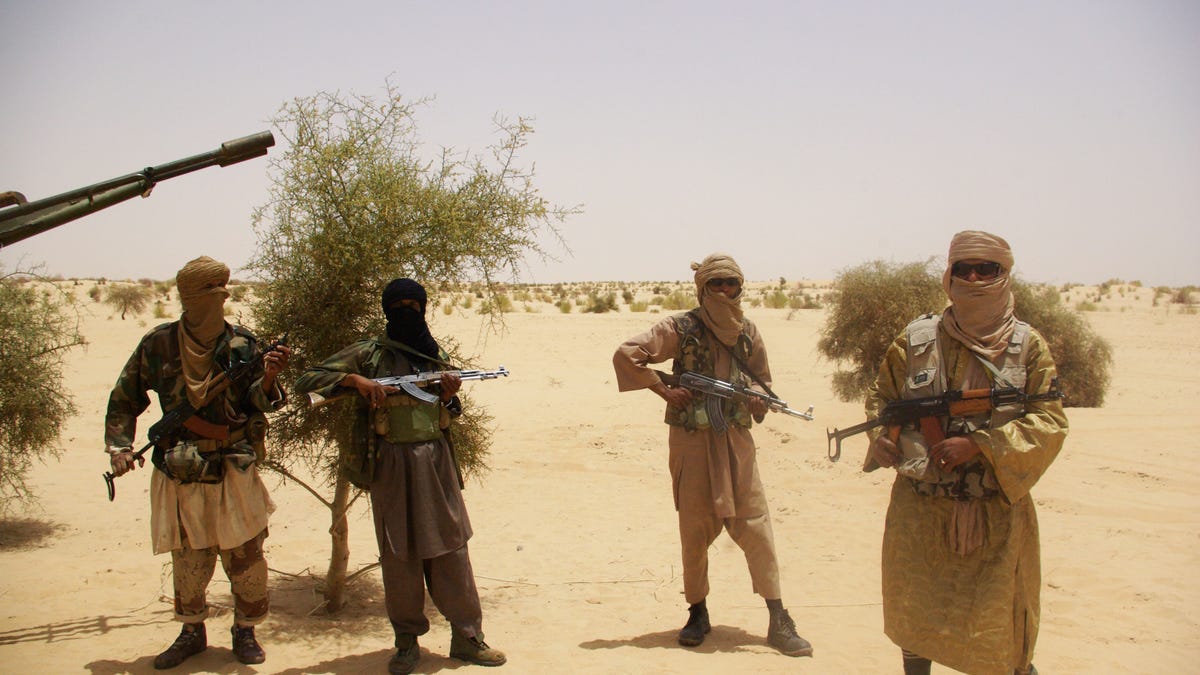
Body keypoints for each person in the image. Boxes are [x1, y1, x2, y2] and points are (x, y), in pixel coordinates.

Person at [863, 231, 1068, 675]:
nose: (974, 278)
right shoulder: (914, 340)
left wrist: (979, 445)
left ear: (1004, 275)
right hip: (919, 513)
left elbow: (1050, 421)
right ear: (948, 276)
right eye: (963, 269)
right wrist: (883, 437)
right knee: (914, 617)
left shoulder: (1028, 347)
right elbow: (883, 399)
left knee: (996, 629)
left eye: (986, 269)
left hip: (995, 515)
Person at [293, 278, 505, 675]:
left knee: (451, 549)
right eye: (400, 305)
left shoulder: (432, 352)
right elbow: (307, 380)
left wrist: (448, 395)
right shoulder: (369, 353)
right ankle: (406, 641)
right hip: (390, 462)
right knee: (398, 553)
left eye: (415, 304)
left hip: (436, 462)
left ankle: (467, 637)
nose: (408, 311)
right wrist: (354, 380)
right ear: (387, 310)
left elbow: (450, 410)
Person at [612, 253, 813, 657]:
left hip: (736, 443)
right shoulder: (679, 327)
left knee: (755, 525)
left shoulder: (748, 332)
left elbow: (762, 381)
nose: (724, 291)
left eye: (731, 284)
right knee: (694, 529)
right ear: (701, 289)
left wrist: (759, 401)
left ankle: (778, 617)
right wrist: (664, 389)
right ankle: (697, 612)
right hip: (692, 442)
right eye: (715, 284)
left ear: (741, 288)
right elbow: (627, 354)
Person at [104, 256, 290, 669]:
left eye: (221, 293)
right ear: (189, 297)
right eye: (209, 293)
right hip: (181, 468)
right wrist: (119, 447)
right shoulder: (159, 344)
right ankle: (191, 631)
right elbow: (125, 397)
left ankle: (245, 630)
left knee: (245, 555)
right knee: (189, 557)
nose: (217, 301)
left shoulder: (243, 344)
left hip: (233, 467)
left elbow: (261, 403)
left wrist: (271, 378)